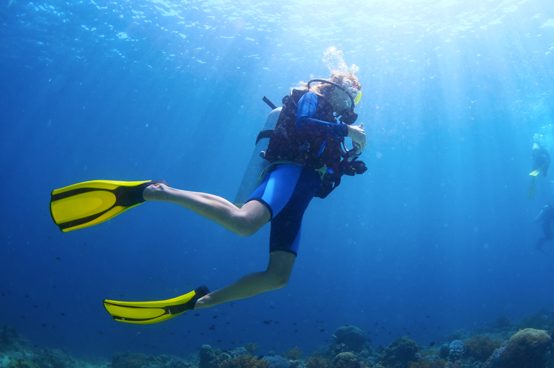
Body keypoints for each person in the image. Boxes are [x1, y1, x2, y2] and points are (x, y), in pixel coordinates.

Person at [49, 69, 367, 324]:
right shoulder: (312, 97)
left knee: (278, 276)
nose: (352, 103)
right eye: (352, 94)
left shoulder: (333, 126)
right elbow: (303, 123)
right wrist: (346, 133)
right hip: (288, 174)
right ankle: (155, 192)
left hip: (299, 195)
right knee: (243, 224)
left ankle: (201, 301)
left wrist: (344, 163)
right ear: (337, 86)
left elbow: (322, 182)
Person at [528, 133, 551, 198]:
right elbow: (534, 156)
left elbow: (548, 158)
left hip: (542, 163)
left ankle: (533, 189)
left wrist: (546, 168)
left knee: (538, 174)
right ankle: (532, 191)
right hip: (538, 163)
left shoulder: (542, 149)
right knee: (533, 176)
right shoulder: (535, 147)